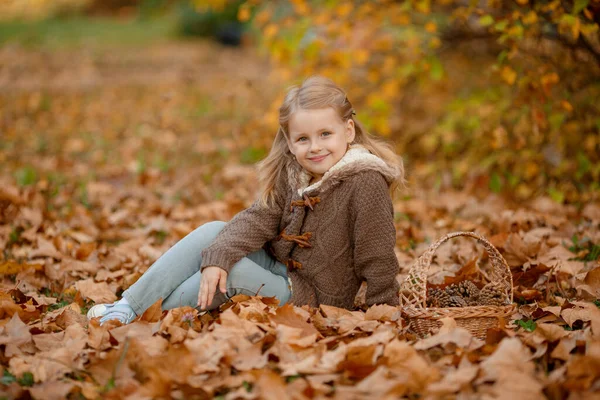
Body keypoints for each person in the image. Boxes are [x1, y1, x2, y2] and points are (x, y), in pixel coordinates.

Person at [87, 76, 405, 325]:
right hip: (280, 269)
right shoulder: (296, 172)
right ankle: (127, 306)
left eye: (326, 134)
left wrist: (385, 314)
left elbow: (376, 254)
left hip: (315, 296)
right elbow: (259, 218)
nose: (315, 147)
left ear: (348, 131)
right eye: (303, 139)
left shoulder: (365, 181)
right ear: (290, 142)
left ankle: (141, 315)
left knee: (233, 273)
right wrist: (218, 257)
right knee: (214, 233)